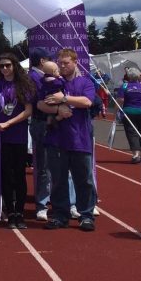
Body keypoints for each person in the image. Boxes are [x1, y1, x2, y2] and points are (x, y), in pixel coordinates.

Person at [38, 48, 97, 232]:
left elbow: (87, 102)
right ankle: (59, 215)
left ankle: (86, 215)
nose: (63, 66)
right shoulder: (52, 83)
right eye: (60, 63)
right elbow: (41, 104)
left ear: (75, 62)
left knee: (84, 180)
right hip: (57, 139)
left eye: (66, 63)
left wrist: (64, 98)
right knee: (58, 180)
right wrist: (57, 110)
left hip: (80, 139)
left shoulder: (85, 82)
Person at [0, 54, 34, 229]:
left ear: (14, 66)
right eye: (1, 66)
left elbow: (28, 111)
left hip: (18, 135)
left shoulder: (24, 85)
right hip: (1, 135)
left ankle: (20, 212)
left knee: (19, 175)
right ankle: (10, 212)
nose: (4, 69)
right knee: (5, 174)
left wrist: (9, 122)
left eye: (7, 65)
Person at [26, 48, 54, 221]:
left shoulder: (38, 77)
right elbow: (38, 101)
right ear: (42, 61)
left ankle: (48, 200)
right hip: (41, 121)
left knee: (54, 165)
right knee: (44, 165)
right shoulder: (34, 78)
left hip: (47, 121)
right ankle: (42, 203)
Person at [116, 69, 141, 164]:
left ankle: (136, 154)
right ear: (138, 76)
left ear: (128, 76)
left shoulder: (124, 86)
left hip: (129, 112)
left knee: (131, 133)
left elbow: (120, 100)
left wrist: (116, 112)